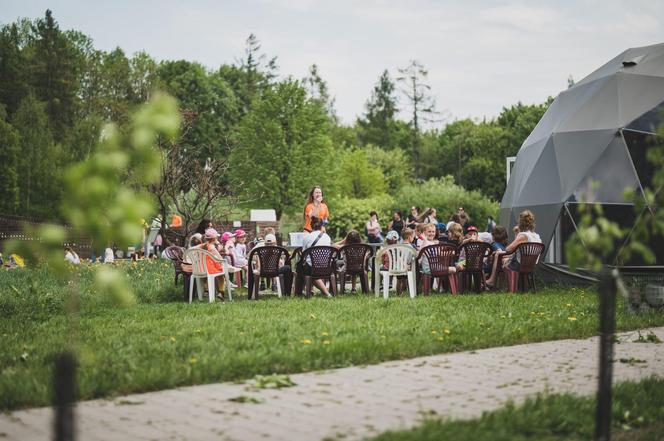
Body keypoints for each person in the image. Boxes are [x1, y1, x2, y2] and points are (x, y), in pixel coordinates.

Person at [485, 210, 542, 289]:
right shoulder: (536, 236)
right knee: (501, 255)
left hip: (518, 265)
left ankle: (492, 281)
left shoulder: (523, 235)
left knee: (498, 255)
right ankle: (521, 286)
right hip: (531, 265)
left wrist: (517, 234)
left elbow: (509, 249)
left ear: (520, 223)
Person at [301, 216, 332, 296]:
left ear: (311, 226)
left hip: (312, 268)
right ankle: (316, 291)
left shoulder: (306, 237)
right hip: (326, 266)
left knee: (302, 268)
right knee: (310, 268)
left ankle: (325, 293)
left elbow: (303, 254)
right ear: (322, 226)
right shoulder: (327, 237)